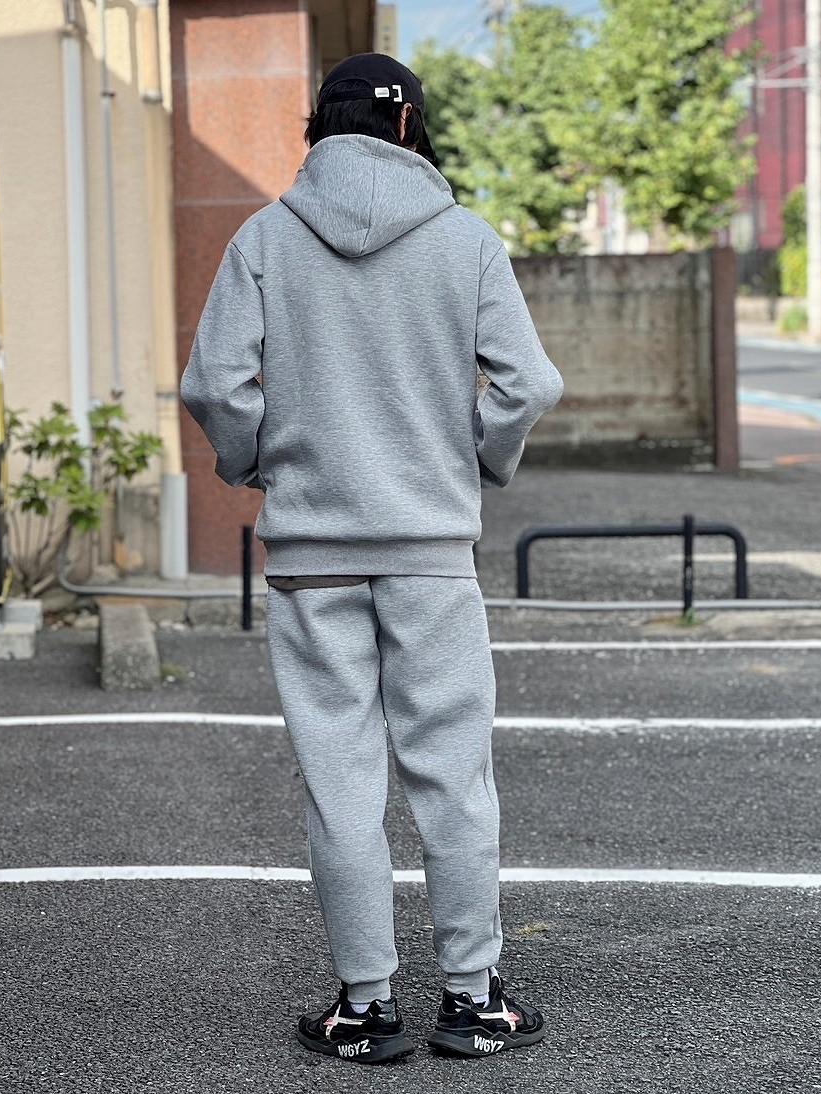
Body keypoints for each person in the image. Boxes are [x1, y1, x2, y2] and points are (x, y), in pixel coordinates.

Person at [181, 52, 563, 1064]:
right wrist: (475, 459)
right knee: (454, 777)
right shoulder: (465, 239)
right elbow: (526, 384)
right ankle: (472, 1000)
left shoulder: (265, 238)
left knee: (340, 781)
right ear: (408, 130)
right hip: (431, 553)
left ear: (319, 128)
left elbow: (214, 384)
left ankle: (365, 1008)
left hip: (311, 554)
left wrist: (257, 461)